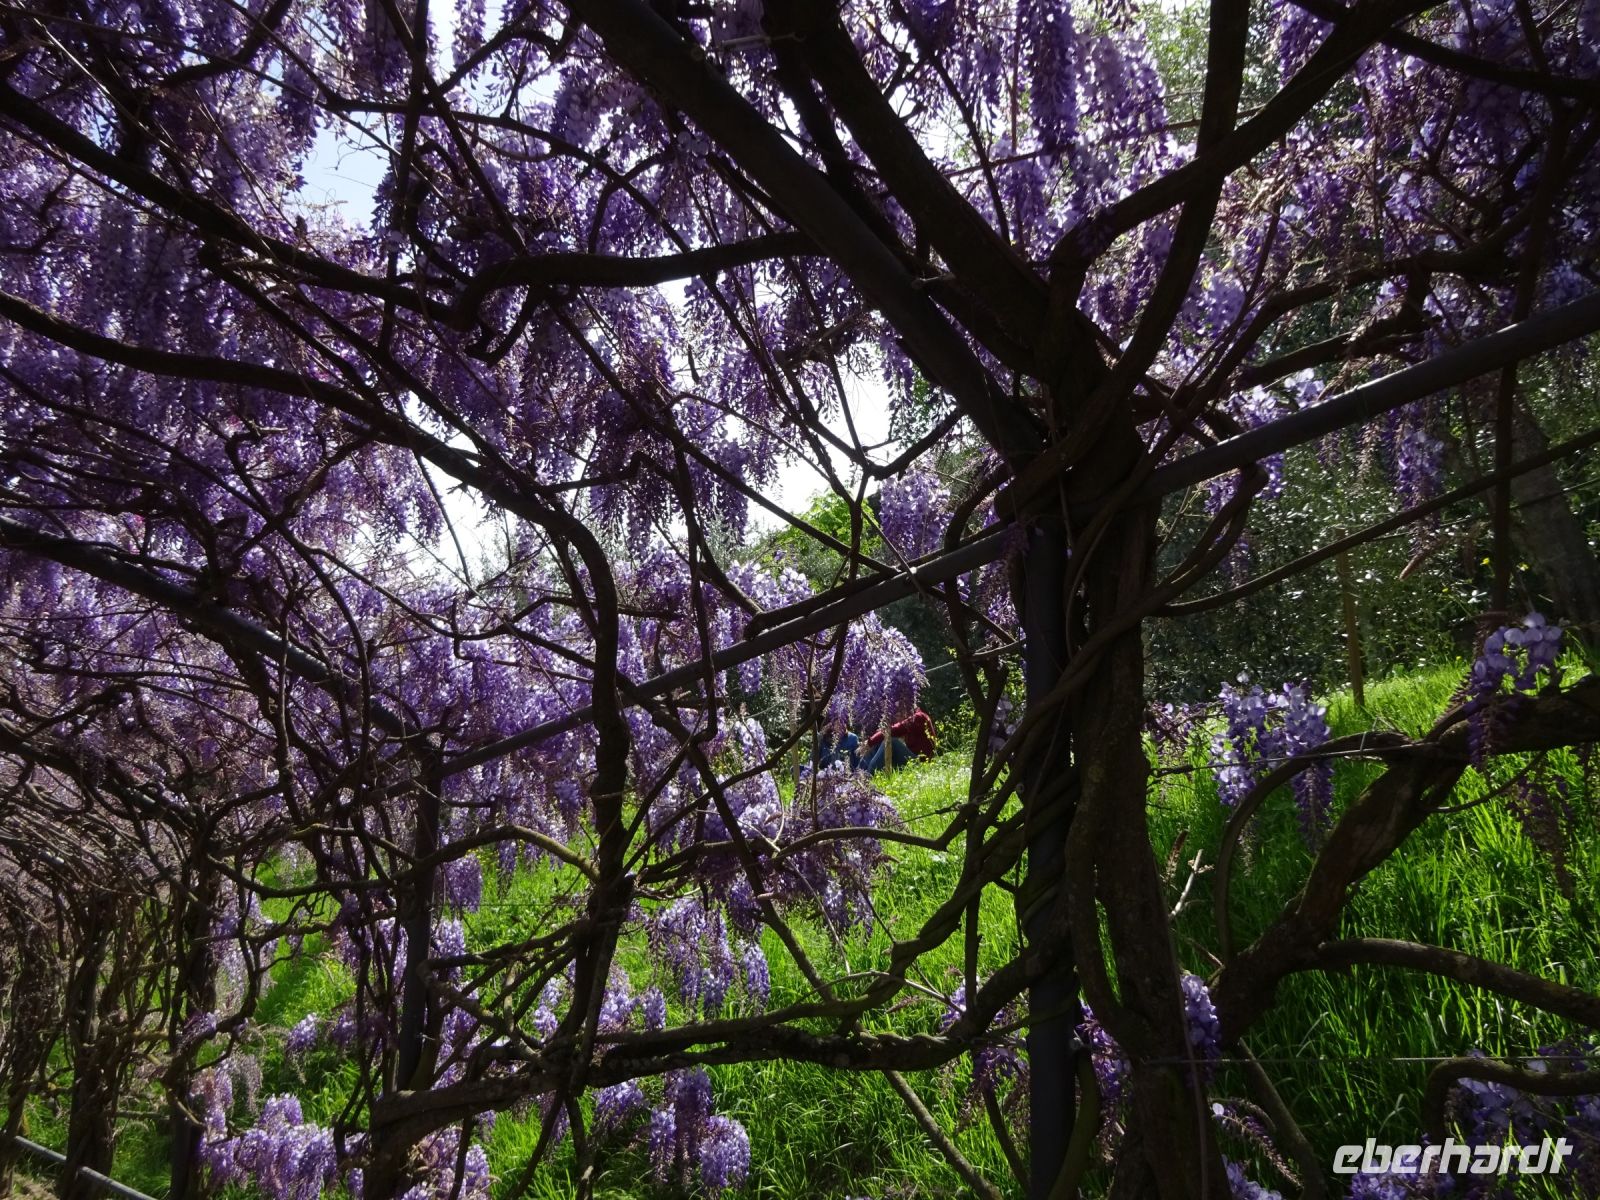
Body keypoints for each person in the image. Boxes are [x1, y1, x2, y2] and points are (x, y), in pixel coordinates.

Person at [862, 710, 937, 774]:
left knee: (892, 741)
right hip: (912, 761)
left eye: (898, 713)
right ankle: (859, 773)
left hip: (921, 765)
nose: (896, 717)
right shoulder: (911, 720)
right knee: (877, 743)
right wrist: (871, 743)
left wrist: (870, 742)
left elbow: (893, 730)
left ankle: (868, 776)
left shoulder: (918, 717)